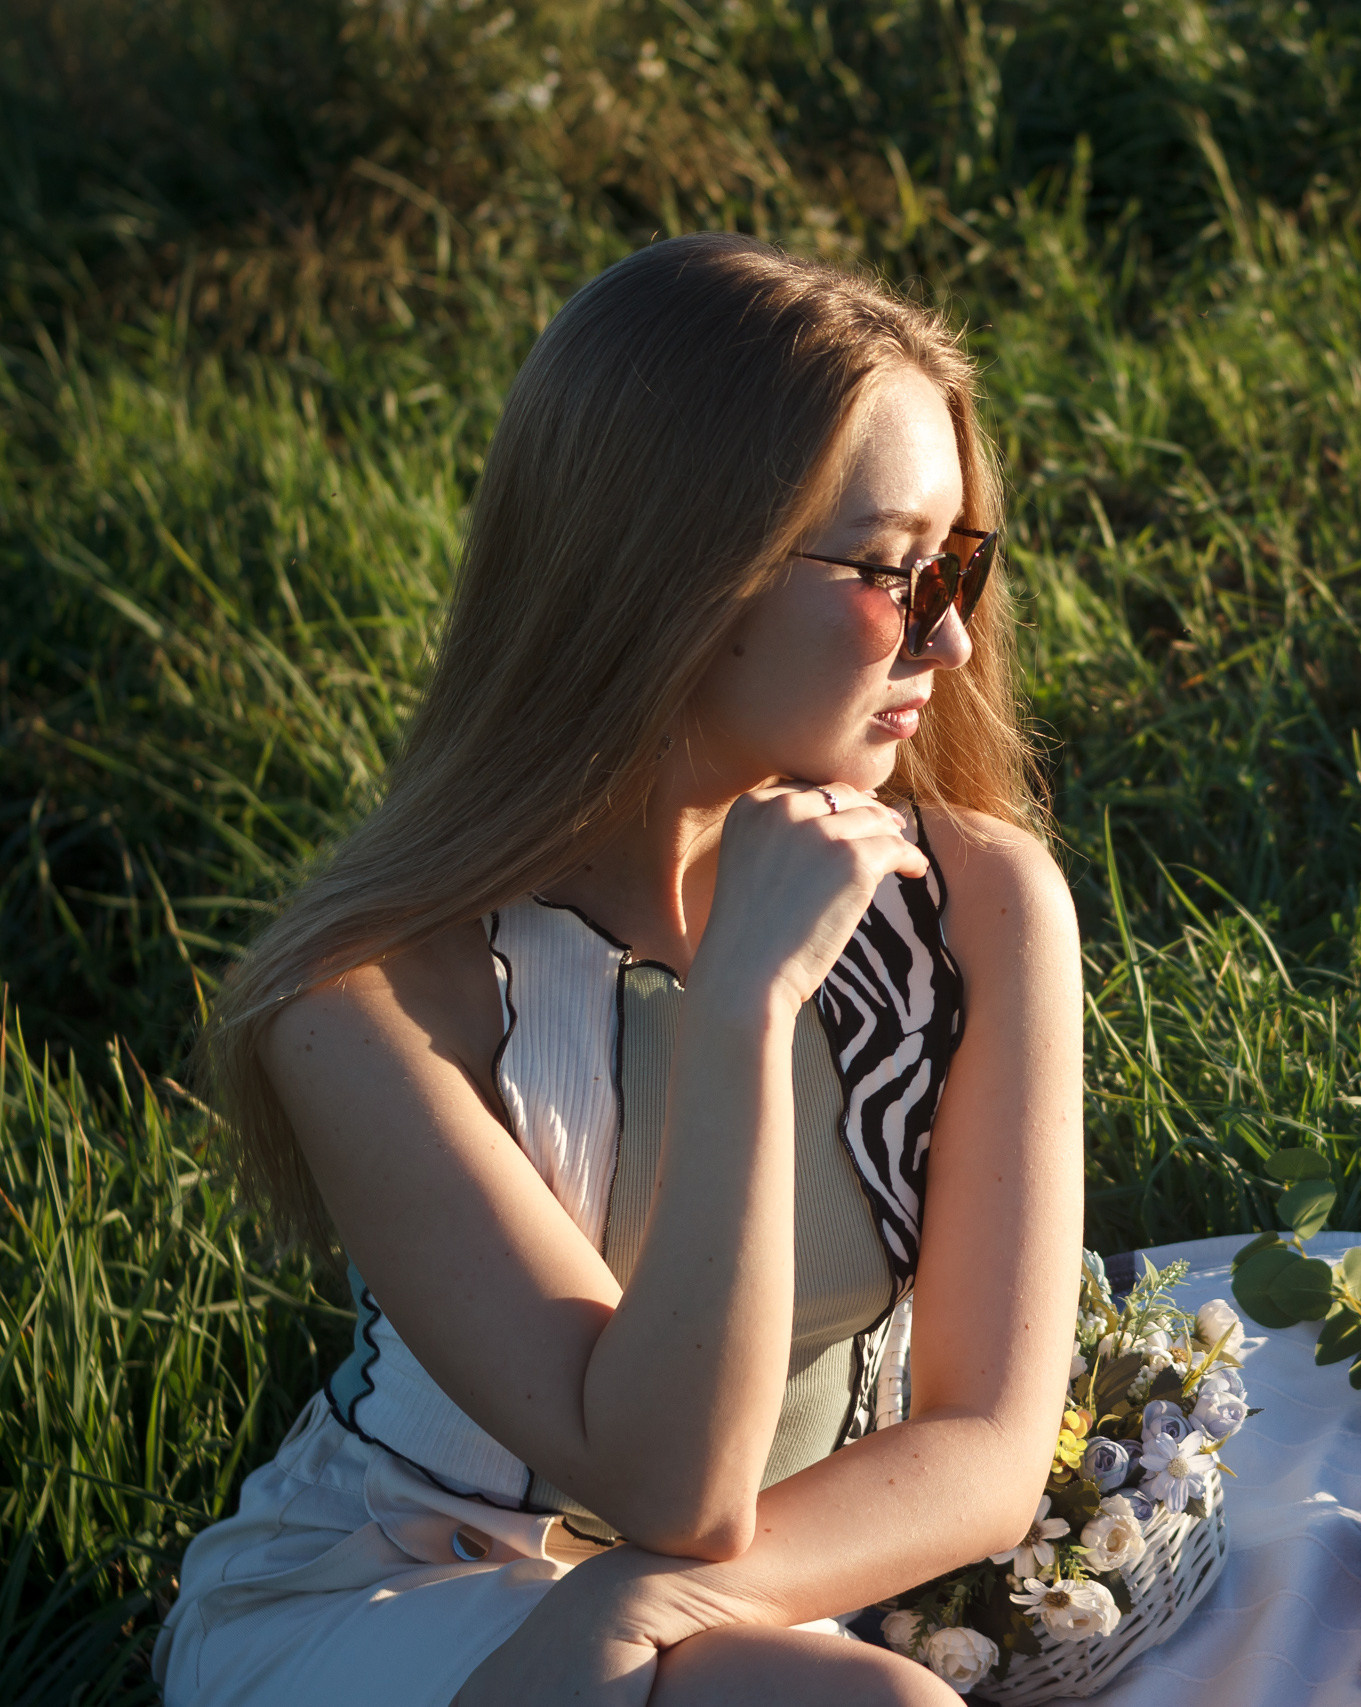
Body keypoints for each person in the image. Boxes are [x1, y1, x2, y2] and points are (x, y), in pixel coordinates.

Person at [154, 233, 1084, 1707]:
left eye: (962, 562)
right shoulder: (369, 999)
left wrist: (636, 1611)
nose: (955, 637)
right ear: (680, 574)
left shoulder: (977, 901)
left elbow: (980, 1452)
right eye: (896, 571)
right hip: (404, 1584)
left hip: (753, 1588)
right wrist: (741, 1009)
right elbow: (673, 1481)